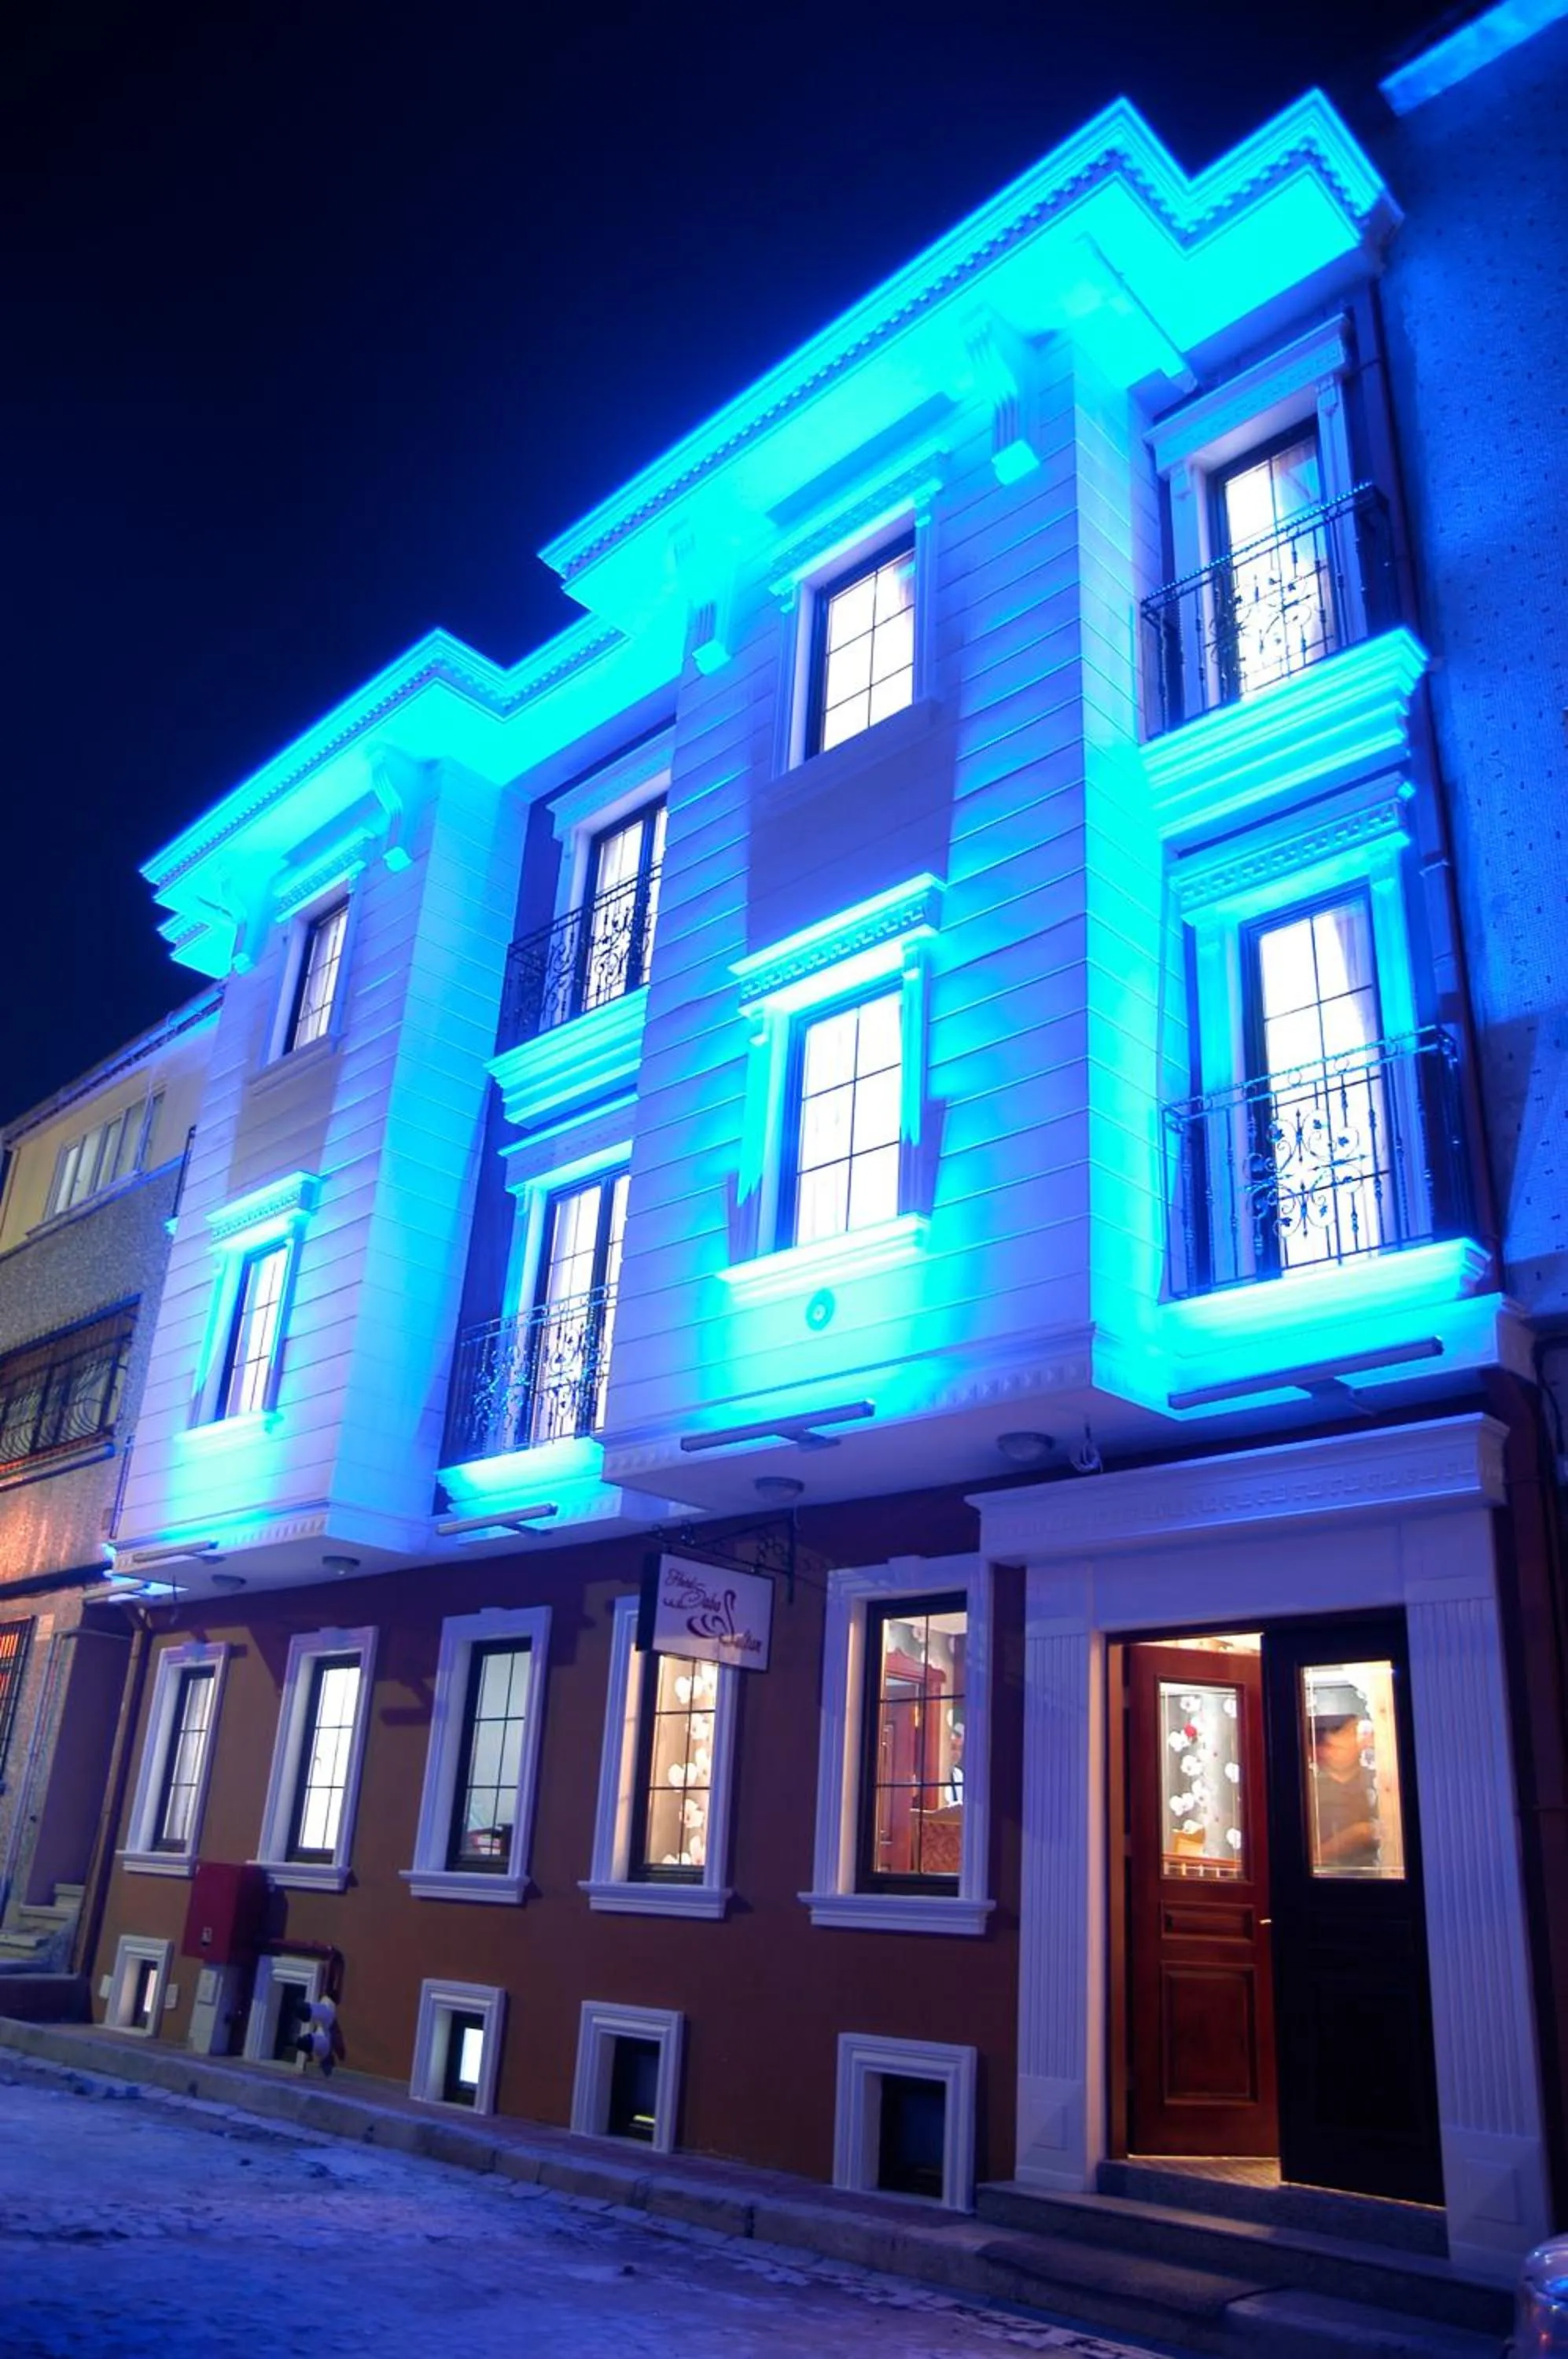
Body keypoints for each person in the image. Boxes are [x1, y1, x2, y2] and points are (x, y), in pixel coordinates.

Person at [1309, 1680, 1380, 1871]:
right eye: (1334, 1744)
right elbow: (1312, 1856)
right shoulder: (1311, 1791)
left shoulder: (1376, 1783)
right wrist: (1358, 1834)